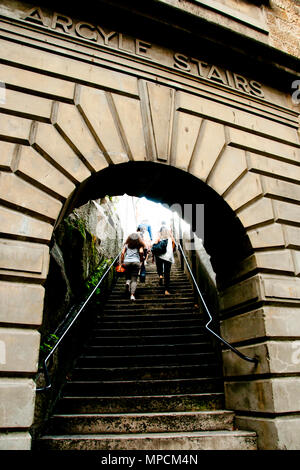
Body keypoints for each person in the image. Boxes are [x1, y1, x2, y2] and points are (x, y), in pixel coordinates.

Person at [120, 232, 146, 301]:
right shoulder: (139, 245)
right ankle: (132, 295)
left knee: (128, 275)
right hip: (135, 262)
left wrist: (122, 262)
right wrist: (141, 259)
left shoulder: (126, 244)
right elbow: (141, 252)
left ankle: (127, 283)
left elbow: (122, 253)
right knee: (134, 279)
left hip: (127, 262)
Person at [153, 226, 176, 295]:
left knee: (159, 267)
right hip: (168, 257)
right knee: (167, 273)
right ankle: (166, 290)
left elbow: (154, 245)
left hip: (159, 256)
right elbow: (174, 244)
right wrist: (171, 250)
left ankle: (160, 275)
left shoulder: (159, 238)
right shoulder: (170, 238)